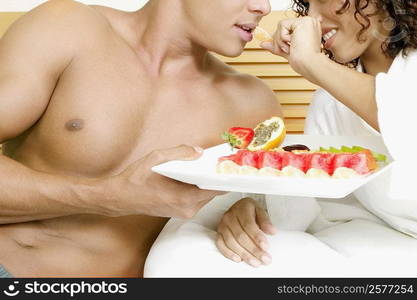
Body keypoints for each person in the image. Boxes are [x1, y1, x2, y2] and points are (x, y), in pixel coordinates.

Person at [0, 0, 281, 277]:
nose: (264, 7)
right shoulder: (66, 27)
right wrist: (110, 196)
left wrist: (242, 210)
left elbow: (266, 206)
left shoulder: (253, 105)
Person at [144, 0, 417, 277]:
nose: (312, 19)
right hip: (383, 243)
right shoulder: (330, 102)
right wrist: (253, 211)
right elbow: (316, 205)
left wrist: (312, 62)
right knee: (181, 255)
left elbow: (404, 115)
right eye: (308, 5)